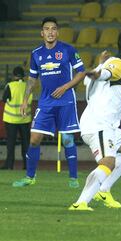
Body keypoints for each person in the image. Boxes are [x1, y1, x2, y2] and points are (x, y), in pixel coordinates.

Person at [68, 30, 121, 211]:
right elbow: (108, 74)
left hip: (106, 124)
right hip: (99, 124)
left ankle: (104, 189)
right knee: (108, 162)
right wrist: (99, 73)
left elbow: (97, 76)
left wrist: (98, 68)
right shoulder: (118, 64)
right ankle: (81, 203)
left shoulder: (108, 63)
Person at [12, 17, 86, 188]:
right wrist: (25, 101)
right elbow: (32, 79)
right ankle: (30, 177)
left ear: (57, 32)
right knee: (34, 139)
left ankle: (73, 178)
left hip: (66, 101)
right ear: (42, 33)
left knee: (67, 139)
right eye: (47, 29)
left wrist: (65, 87)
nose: (50, 32)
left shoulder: (68, 49)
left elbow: (81, 72)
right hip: (45, 102)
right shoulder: (36, 53)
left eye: (53, 29)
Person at [1, 66, 32, 170]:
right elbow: (30, 100)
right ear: (23, 76)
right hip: (25, 119)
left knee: (11, 144)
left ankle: (9, 165)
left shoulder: (9, 86)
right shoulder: (27, 86)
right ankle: (27, 166)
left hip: (11, 119)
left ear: (13, 75)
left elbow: (4, 99)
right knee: (26, 144)